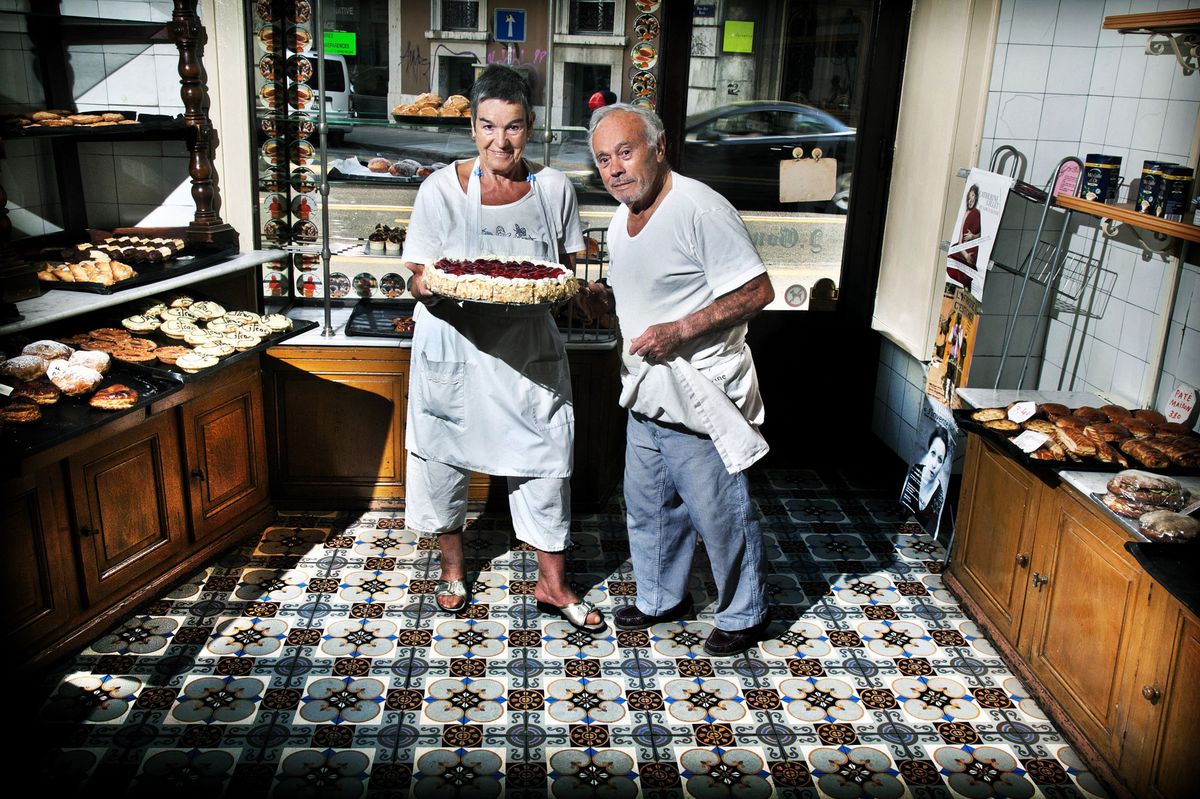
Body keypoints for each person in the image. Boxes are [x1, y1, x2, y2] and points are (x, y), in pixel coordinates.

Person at [403, 65, 605, 633]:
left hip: (527, 352)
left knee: (546, 459)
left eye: (513, 128)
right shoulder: (441, 189)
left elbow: (563, 272)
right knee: (443, 458)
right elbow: (418, 274)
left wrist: (587, 296)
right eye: (489, 127)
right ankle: (452, 568)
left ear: (530, 126)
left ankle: (553, 582)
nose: (501, 141)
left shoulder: (554, 190)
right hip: (455, 348)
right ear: (472, 127)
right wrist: (430, 287)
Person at [582, 104, 775, 656]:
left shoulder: (698, 207)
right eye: (603, 159)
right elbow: (648, 297)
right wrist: (605, 306)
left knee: (718, 512)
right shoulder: (623, 217)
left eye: (625, 151)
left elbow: (756, 291)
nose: (615, 169)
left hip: (698, 390)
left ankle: (745, 611)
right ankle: (663, 597)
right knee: (647, 506)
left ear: (659, 148)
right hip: (646, 390)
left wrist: (682, 330)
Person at [901, 426, 950, 532]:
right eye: (933, 453)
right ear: (928, 451)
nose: (934, 464)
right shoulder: (915, 472)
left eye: (940, 459)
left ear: (942, 464)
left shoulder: (939, 495)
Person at [947, 184, 981, 285]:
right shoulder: (966, 213)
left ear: (976, 197)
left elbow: (985, 234)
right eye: (969, 196)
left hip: (975, 251)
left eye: (973, 196)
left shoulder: (978, 213)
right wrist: (966, 255)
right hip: (964, 251)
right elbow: (960, 239)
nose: (970, 199)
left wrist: (974, 236)